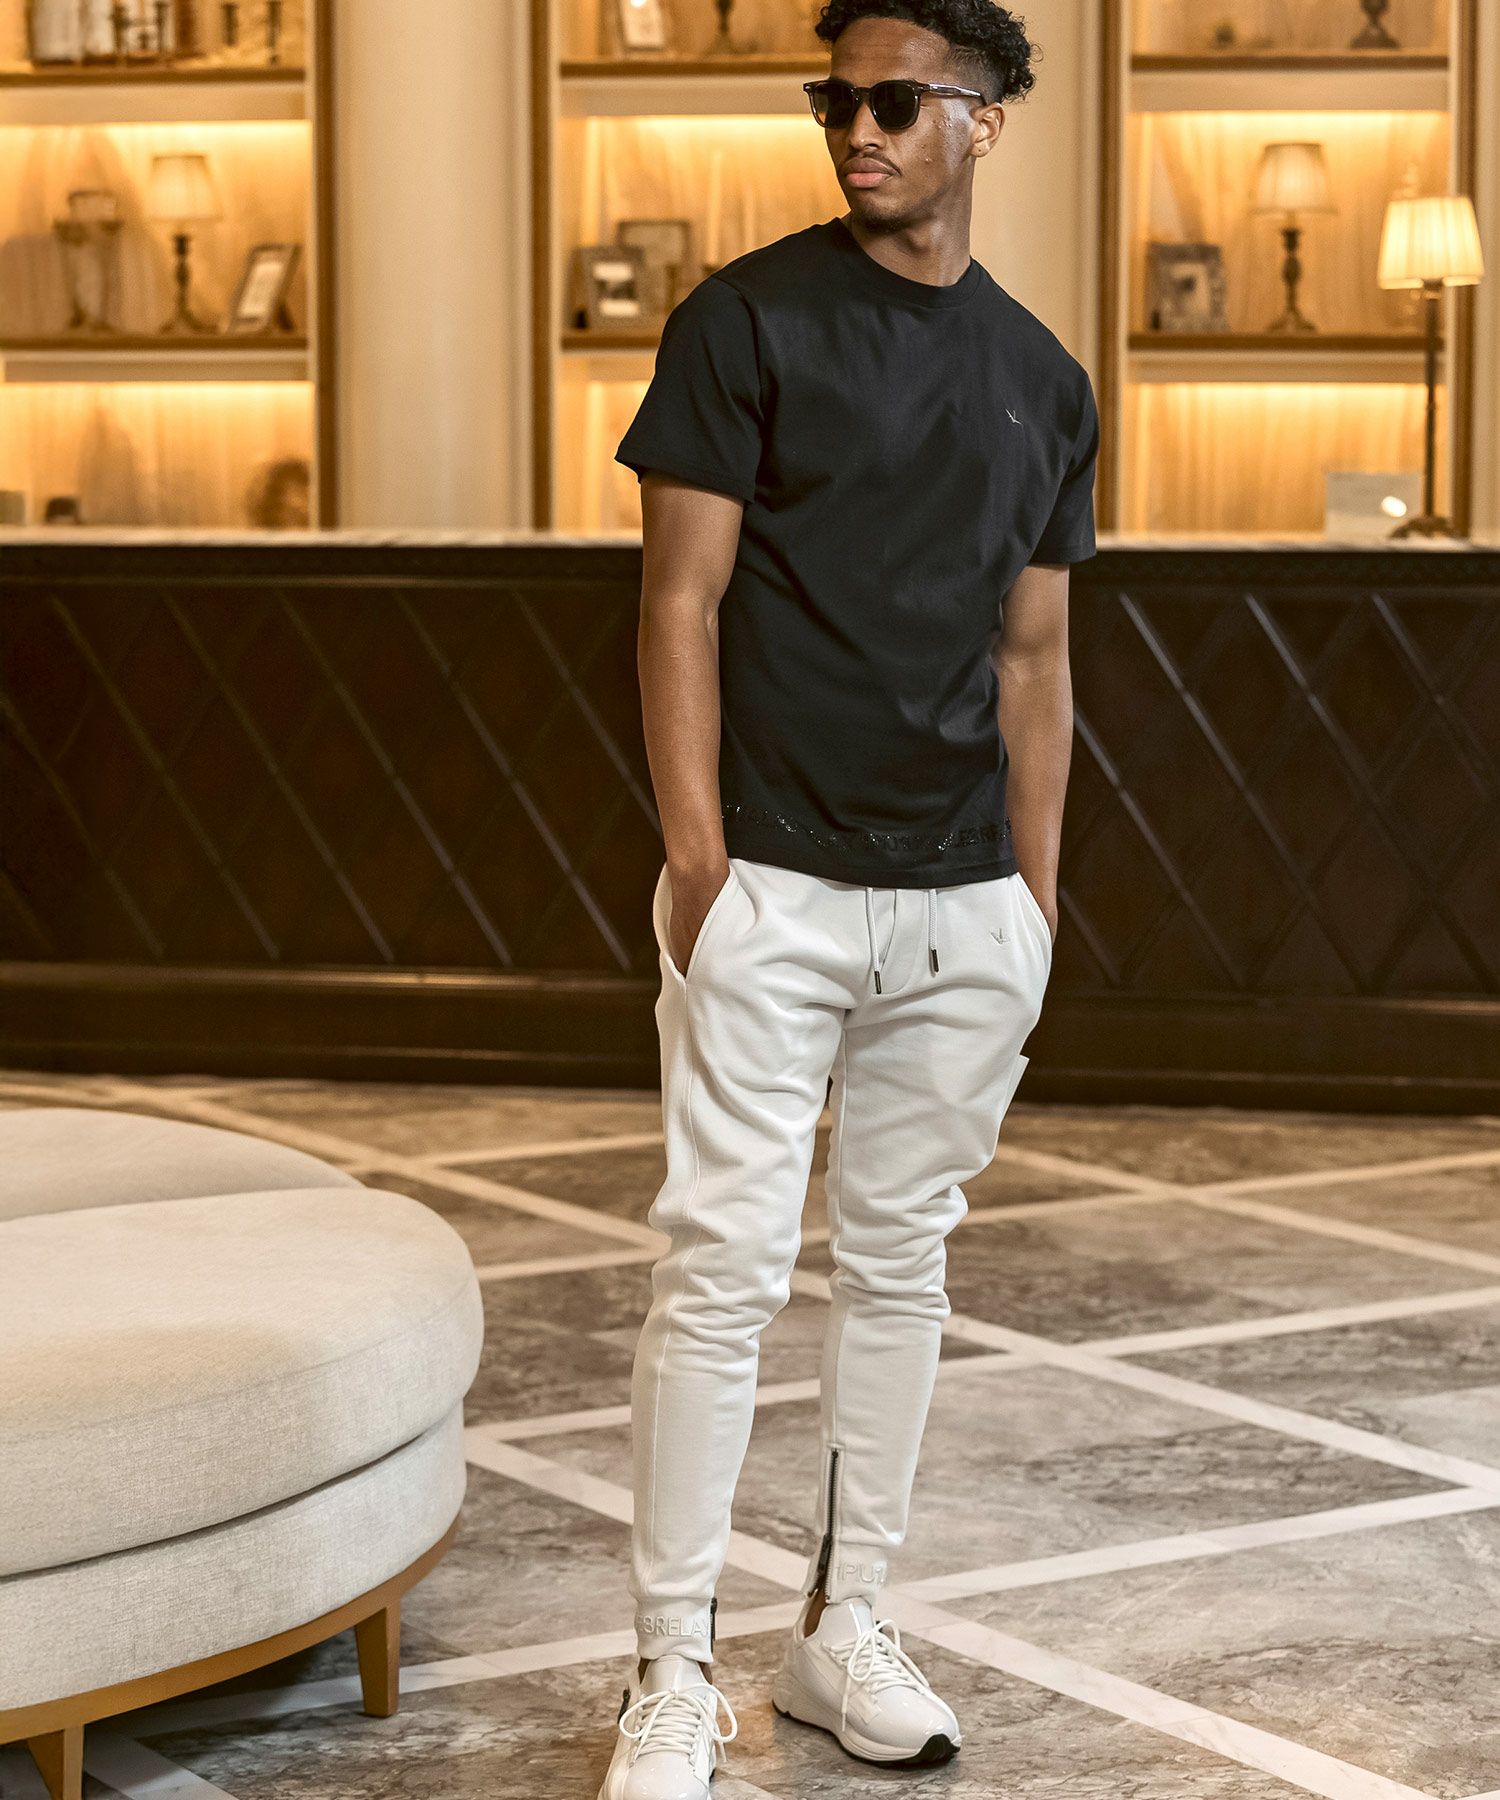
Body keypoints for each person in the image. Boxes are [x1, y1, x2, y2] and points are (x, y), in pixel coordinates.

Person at [597, 2, 1098, 1793]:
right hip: (776, 888)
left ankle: (841, 1628)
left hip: (965, 909)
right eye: (836, 101)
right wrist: (699, 865)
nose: (858, 130)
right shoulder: (744, 322)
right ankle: (670, 1667)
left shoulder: (1045, 377)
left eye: (894, 101)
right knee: (719, 1274)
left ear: (986, 117)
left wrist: (1033, 903)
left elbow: (1034, 658)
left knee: (901, 1276)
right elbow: (677, 604)